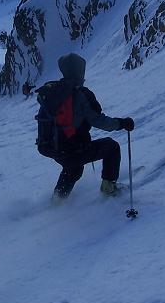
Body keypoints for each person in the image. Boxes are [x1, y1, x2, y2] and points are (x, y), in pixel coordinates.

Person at [35, 53, 135, 200]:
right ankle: (109, 188)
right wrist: (122, 123)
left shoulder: (52, 92)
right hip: (72, 148)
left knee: (73, 167)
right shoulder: (80, 94)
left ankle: (57, 201)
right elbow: (99, 121)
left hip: (50, 148)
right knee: (111, 147)